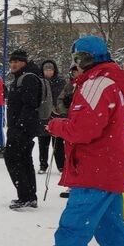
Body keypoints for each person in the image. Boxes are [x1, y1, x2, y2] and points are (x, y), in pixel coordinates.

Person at [20, 35, 124, 246]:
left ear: (86, 59)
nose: (76, 64)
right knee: (112, 231)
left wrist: (55, 126)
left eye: (78, 58)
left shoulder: (97, 83)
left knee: (72, 229)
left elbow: (84, 130)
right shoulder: (109, 81)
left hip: (95, 170)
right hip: (108, 169)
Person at [4, 50, 43, 210]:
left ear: (24, 63)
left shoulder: (28, 79)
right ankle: (30, 196)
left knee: (12, 158)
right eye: (11, 61)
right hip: (23, 127)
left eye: (17, 61)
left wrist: (19, 126)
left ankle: (25, 195)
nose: (13, 64)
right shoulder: (23, 77)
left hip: (22, 128)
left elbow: (30, 105)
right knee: (25, 159)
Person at [55, 64, 81, 198]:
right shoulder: (70, 85)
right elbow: (60, 99)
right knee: (69, 155)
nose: (75, 74)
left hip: (79, 125)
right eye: (74, 72)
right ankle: (72, 185)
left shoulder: (87, 85)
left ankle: (79, 185)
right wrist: (64, 110)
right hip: (69, 121)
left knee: (79, 156)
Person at [37, 60, 66, 175]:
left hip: (57, 116)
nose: (48, 72)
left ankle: (61, 166)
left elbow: (64, 97)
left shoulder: (60, 82)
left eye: (50, 69)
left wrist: (60, 110)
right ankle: (43, 165)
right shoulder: (39, 81)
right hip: (43, 115)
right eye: (46, 69)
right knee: (43, 142)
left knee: (58, 143)